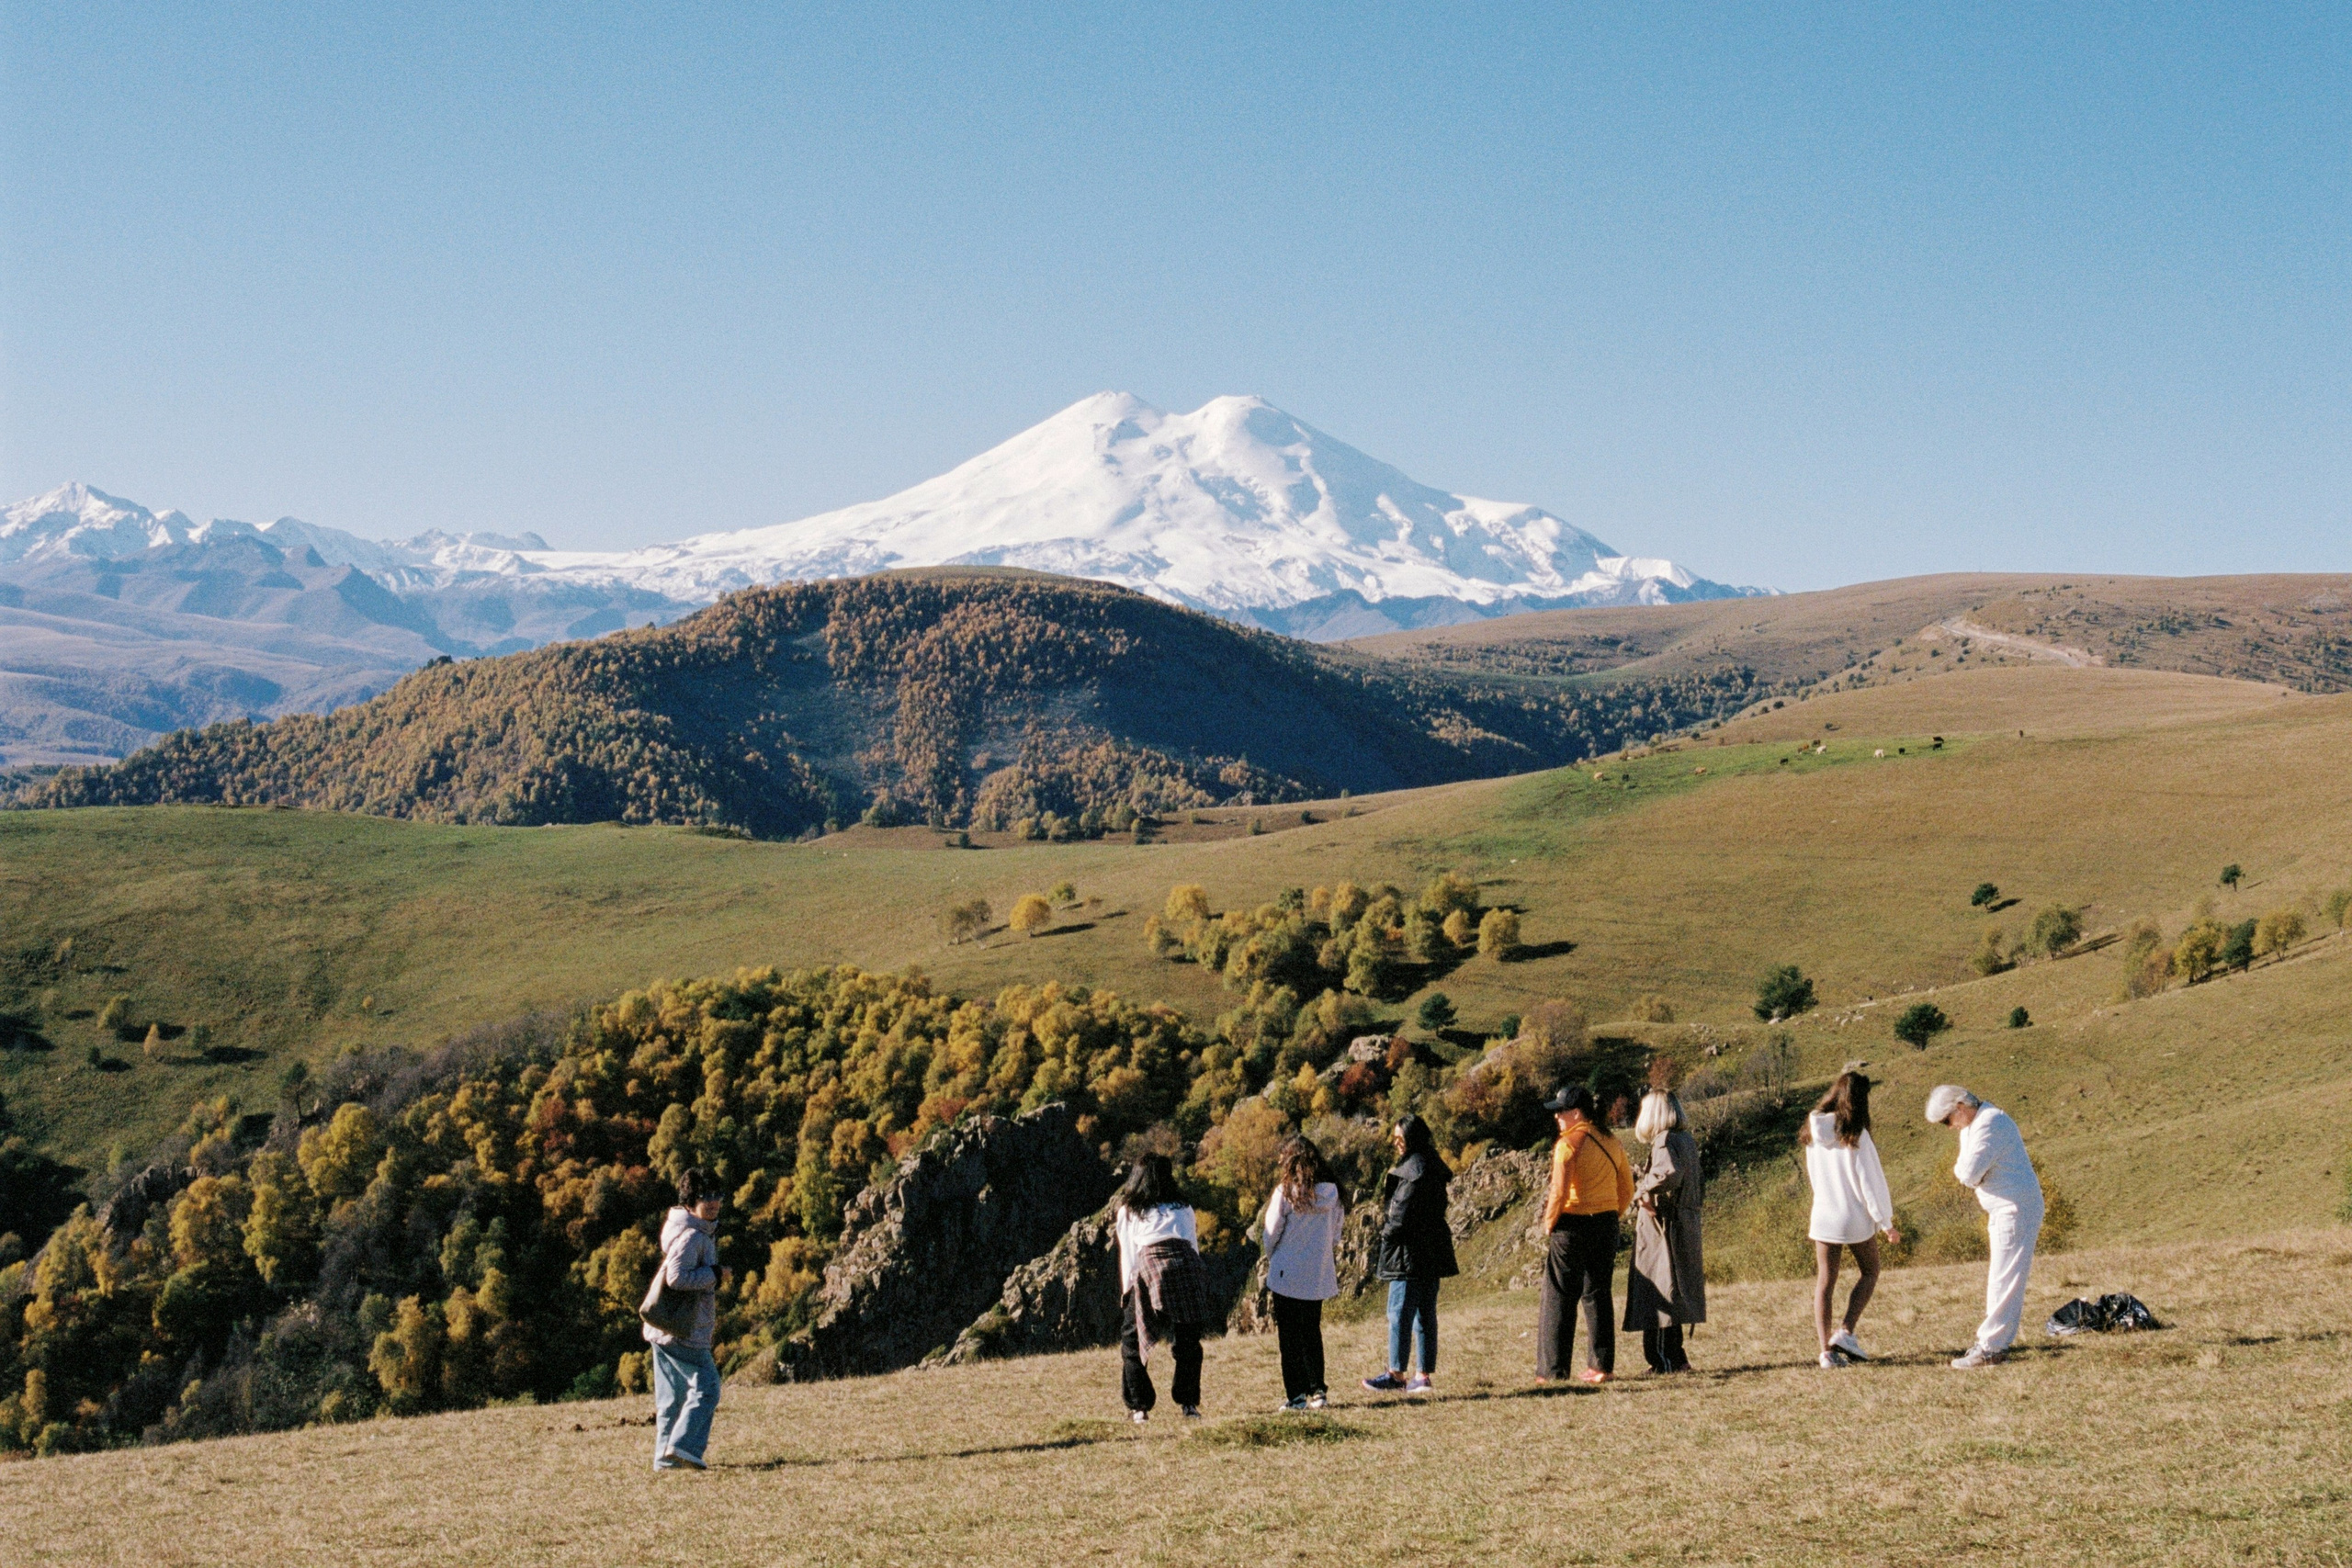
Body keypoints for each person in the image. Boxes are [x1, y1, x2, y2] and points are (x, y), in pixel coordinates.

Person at [1927, 1084, 2044, 1369]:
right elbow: (1966, 1171)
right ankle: (1991, 1345)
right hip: (2005, 1208)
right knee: (2000, 1277)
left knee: (2005, 1279)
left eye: (1947, 1121)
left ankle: (1992, 1348)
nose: (1949, 1128)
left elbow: (1968, 1174)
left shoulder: (1990, 1123)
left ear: (1959, 1108)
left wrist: (1971, 1173)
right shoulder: (1974, 1126)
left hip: (2014, 1209)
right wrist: (1970, 1172)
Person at [1800, 1070, 1901, 1369]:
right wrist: (1886, 1223)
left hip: (1823, 1214)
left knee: (1825, 1282)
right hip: (1853, 1216)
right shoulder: (1855, 1134)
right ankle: (1845, 1331)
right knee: (1870, 1271)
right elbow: (1871, 1183)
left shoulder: (1812, 1132)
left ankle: (1825, 1353)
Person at [1534, 1085, 1634, 1385]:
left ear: (1576, 1113)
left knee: (1558, 1297)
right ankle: (1601, 1367)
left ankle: (1553, 1371)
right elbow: (1627, 1188)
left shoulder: (1567, 1145)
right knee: (1598, 1294)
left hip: (1572, 1225)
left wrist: (1549, 1224)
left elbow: (1559, 1192)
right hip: (1606, 1223)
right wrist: (1611, 1212)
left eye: (1561, 1111)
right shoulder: (1612, 1141)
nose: (1556, 1117)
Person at [639, 1166, 731, 1471]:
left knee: (672, 1400)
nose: (714, 1202)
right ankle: (685, 1447)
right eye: (706, 1196)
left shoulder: (684, 1228)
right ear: (691, 1200)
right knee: (708, 1387)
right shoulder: (694, 1235)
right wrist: (715, 1274)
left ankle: (665, 1462)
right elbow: (677, 1278)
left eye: (718, 1195)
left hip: (662, 1327)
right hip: (683, 1329)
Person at [1363, 1113, 1456, 1394]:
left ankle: (1396, 1374)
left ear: (1411, 1138)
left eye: (1399, 1138)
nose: (1396, 1143)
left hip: (1408, 1253)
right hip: (1432, 1249)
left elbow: (1399, 1216)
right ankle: (1422, 1375)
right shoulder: (1433, 1164)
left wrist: (1385, 1234)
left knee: (1399, 1313)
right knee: (1425, 1314)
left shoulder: (1412, 1171)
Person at [1114, 1153, 1212, 1421]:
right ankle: (1188, 1404)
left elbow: (1129, 1256)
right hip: (1187, 1269)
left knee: (1132, 1342)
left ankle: (1139, 1406)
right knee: (1188, 1341)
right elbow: (1193, 1246)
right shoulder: (1184, 1207)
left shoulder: (1129, 1211)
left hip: (1150, 1273)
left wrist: (1128, 1292)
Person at [1623, 1088, 1704, 1373]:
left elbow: (1668, 1174)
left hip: (1663, 1228)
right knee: (1674, 1294)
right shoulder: (1686, 1140)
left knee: (1657, 1294)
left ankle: (1663, 1361)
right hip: (1685, 1223)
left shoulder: (1664, 1140)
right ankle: (1676, 1359)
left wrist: (1642, 1191)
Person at [1260, 1136, 1343, 1410]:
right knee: (1311, 1333)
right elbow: (1335, 1236)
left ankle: (1296, 1396)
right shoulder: (1332, 1194)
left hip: (1286, 1274)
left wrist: (1275, 1257)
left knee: (1289, 1338)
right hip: (1317, 1274)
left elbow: (1271, 1233)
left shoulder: (1285, 1193)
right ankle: (1318, 1391)